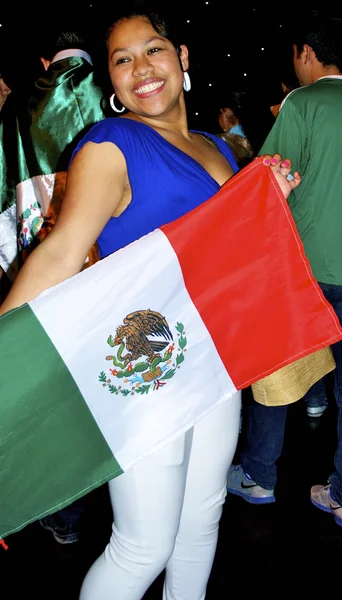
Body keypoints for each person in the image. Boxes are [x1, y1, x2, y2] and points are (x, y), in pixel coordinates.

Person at [0, 2, 301, 597]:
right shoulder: (110, 144)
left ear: (182, 57)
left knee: (201, 522)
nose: (142, 68)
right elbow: (63, 251)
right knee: (143, 544)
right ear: (110, 81)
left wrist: (270, 203)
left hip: (212, 362)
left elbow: (227, 264)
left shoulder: (216, 146)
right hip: (145, 366)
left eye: (154, 50)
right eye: (122, 60)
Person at [227, 11, 342, 526]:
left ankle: (259, 477)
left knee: (274, 368)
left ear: (306, 53)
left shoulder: (304, 102)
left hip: (309, 268)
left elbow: (266, 183)